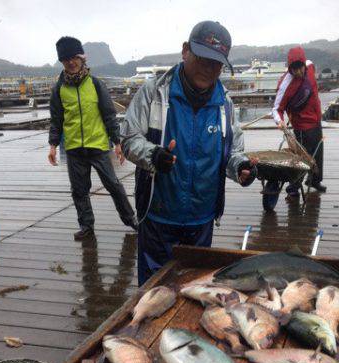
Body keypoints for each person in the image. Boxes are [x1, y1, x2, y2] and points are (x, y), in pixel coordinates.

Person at [120, 21, 257, 285]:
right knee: (153, 289)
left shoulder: (225, 104)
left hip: (201, 219)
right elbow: (128, 138)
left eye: (216, 63)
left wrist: (241, 168)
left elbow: (232, 151)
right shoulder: (154, 92)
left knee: (194, 288)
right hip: (159, 214)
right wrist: (153, 156)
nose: (208, 68)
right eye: (203, 58)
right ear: (185, 51)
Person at [48, 36, 137, 240]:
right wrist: (53, 145)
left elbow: (109, 115)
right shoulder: (59, 89)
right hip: (73, 149)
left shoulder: (96, 84)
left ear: (82, 58)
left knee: (114, 185)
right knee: (79, 191)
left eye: (74, 57)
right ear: (62, 62)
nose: (70, 62)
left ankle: (131, 220)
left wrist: (117, 142)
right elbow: (56, 120)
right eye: (65, 59)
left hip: (97, 146)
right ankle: (86, 227)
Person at [263, 46, 324, 211]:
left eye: (300, 67)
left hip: (316, 120)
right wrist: (279, 122)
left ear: (304, 64)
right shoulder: (285, 84)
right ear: (289, 68)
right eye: (294, 69)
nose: (298, 72)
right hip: (301, 125)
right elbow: (276, 109)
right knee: (302, 159)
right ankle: (293, 188)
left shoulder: (310, 66)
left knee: (318, 153)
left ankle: (315, 180)